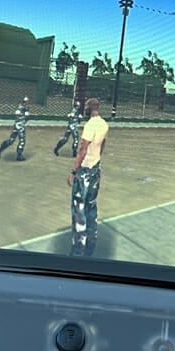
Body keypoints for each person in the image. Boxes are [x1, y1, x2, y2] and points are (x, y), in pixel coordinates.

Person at [67, 97, 109, 256]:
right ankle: (91, 243)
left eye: (86, 106)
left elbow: (82, 150)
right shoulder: (104, 124)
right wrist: (97, 158)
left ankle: (78, 249)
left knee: (79, 209)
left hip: (84, 171)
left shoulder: (90, 126)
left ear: (90, 108)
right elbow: (103, 143)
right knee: (91, 206)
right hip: (95, 169)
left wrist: (73, 172)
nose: (84, 109)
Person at [0, 96, 30, 162]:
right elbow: (27, 117)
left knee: (11, 140)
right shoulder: (25, 109)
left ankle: (0, 149)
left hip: (16, 125)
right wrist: (26, 116)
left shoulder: (19, 108)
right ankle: (19, 155)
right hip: (20, 127)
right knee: (22, 141)